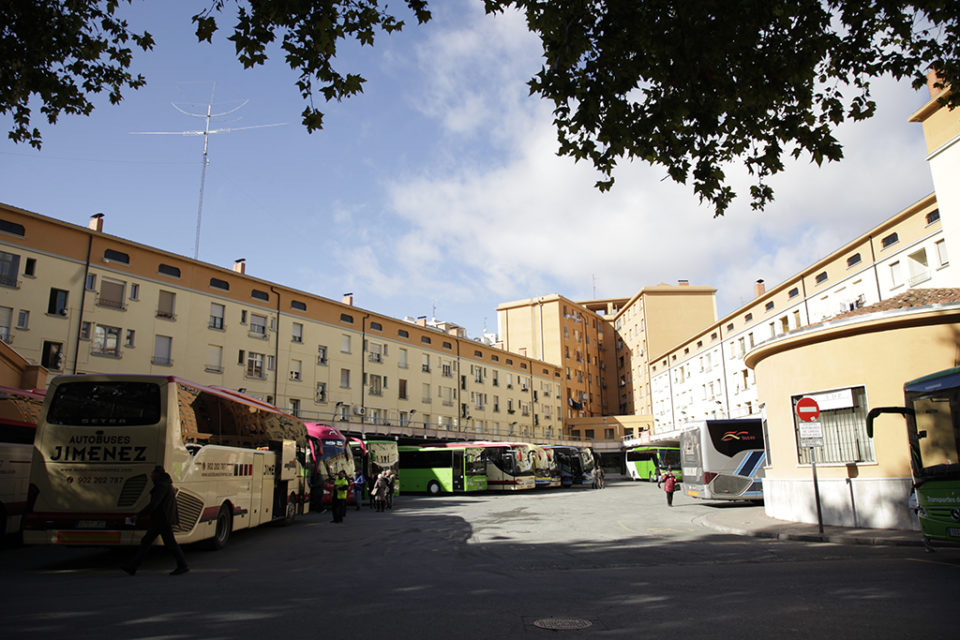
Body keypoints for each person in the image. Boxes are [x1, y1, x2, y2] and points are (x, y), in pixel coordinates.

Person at [122, 466, 189, 576]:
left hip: (162, 519)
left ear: (158, 474)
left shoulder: (161, 486)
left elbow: (154, 504)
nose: (151, 475)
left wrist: (139, 515)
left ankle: (183, 565)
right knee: (148, 542)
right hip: (162, 519)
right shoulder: (165, 484)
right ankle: (133, 566)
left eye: (153, 473)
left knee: (166, 543)